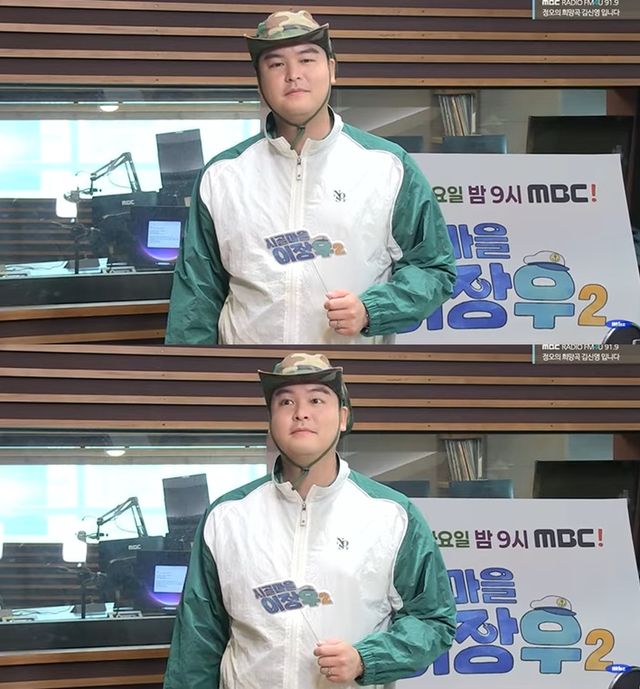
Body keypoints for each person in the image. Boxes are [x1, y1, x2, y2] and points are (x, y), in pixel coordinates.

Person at [163, 352, 457, 689]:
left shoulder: (392, 514)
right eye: (286, 402)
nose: (301, 412)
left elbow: (432, 619)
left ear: (343, 417)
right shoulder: (227, 515)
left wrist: (366, 659)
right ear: (270, 421)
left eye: (317, 400)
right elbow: (197, 639)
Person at [164, 10, 456, 345]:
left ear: (332, 69)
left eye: (307, 59)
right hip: (249, 371)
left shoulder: (388, 166)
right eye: (276, 64)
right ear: (259, 80)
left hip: (350, 371)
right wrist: (190, 372)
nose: (293, 75)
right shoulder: (222, 175)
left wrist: (371, 310)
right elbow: (196, 295)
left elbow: (433, 268)